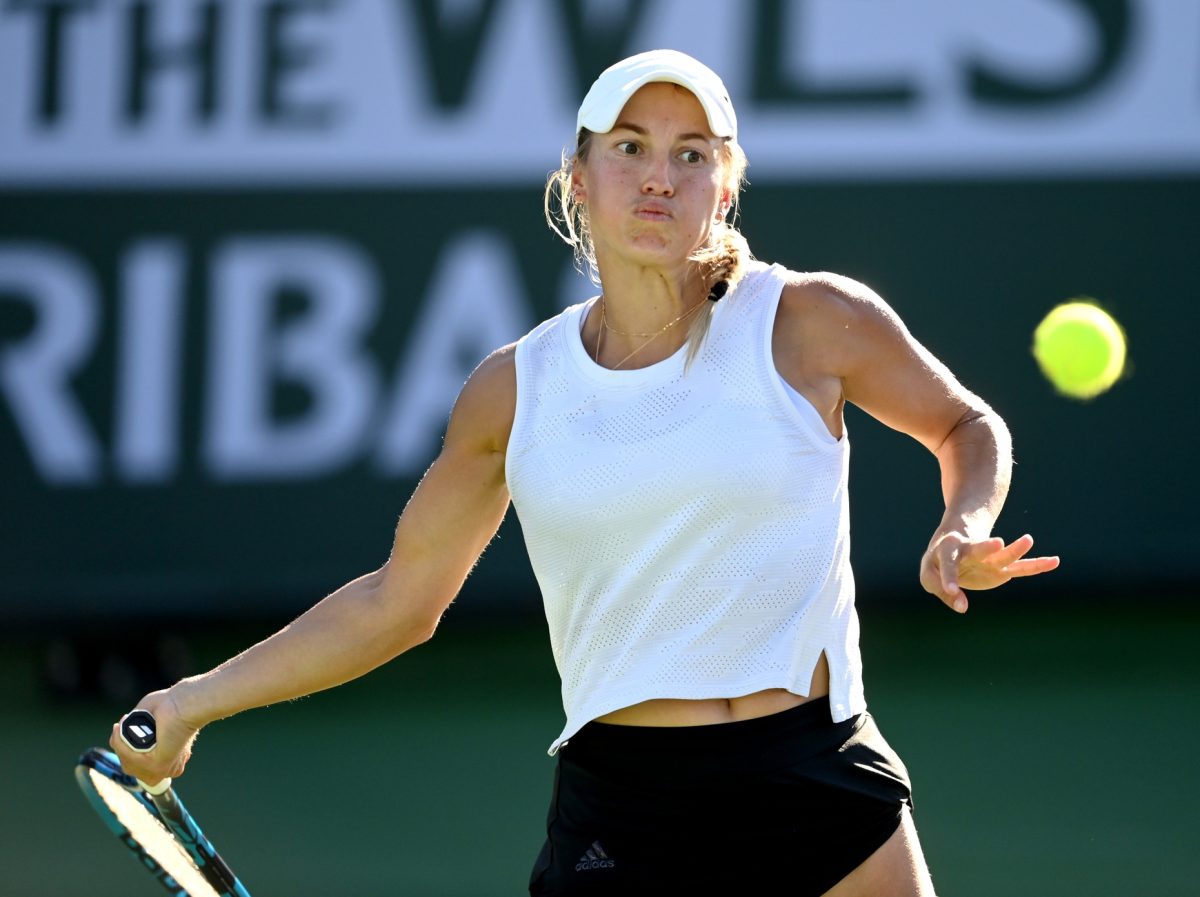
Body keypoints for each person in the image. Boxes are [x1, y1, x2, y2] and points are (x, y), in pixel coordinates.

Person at [111, 49, 1059, 896]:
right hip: (626, 811)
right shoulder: (513, 391)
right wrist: (190, 702)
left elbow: (965, 423)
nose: (661, 178)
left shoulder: (811, 320)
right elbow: (398, 601)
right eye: (632, 147)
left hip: (814, 780)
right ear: (579, 178)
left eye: (693, 154)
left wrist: (960, 523)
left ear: (724, 187)